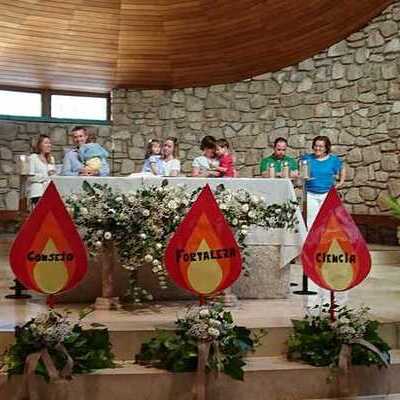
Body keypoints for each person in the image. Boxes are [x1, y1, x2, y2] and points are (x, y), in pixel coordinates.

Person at [302, 135, 346, 229]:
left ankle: (325, 243)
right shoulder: (307, 158)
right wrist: (303, 177)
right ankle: (313, 242)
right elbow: (301, 172)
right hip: (310, 194)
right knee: (311, 221)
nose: (318, 148)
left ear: (326, 148)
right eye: (316, 146)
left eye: (321, 146)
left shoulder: (333, 160)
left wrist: (341, 182)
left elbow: (342, 168)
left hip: (328, 194)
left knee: (328, 220)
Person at [28, 135, 56, 206]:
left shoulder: (51, 159)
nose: (49, 145)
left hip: (50, 192)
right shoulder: (33, 158)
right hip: (38, 193)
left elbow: (53, 176)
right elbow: (30, 177)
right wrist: (46, 175)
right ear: (39, 145)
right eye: (46, 143)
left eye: (50, 143)